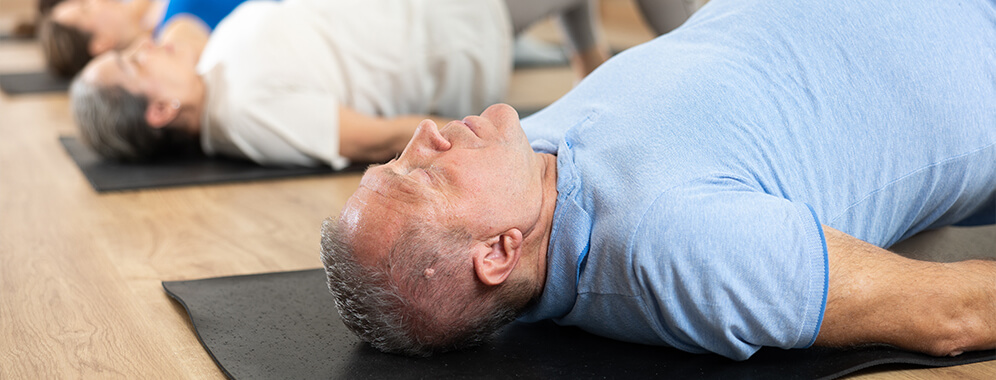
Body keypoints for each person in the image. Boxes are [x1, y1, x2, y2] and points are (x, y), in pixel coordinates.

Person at [320, 0, 996, 360]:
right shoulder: (677, 246)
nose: (423, 136)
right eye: (424, 177)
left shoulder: (528, 160)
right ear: (497, 252)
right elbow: (953, 311)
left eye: (398, 159)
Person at [68, 0, 695, 168]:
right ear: (161, 109)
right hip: (445, 38)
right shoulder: (246, 117)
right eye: (132, 64)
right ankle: (698, 65)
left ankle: (606, 70)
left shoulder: (212, 69)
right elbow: (381, 139)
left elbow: (177, 27)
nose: (144, 49)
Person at [39, 0, 254, 77]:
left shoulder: (160, 20)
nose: (96, 1)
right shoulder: (180, 20)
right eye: (86, 9)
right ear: (101, 42)